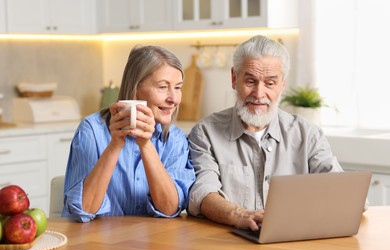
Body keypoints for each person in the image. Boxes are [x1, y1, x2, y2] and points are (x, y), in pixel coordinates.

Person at [187, 35, 344, 231]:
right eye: (251, 81)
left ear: (282, 85)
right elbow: (202, 193)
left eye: (270, 83)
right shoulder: (205, 133)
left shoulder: (308, 135)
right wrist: (239, 215)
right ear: (234, 79)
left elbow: (343, 192)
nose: (259, 94)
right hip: (229, 245)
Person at [62, 45, 195, 222]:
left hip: (155, 245)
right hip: (96, 244)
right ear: (135, 87)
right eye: (163, 87)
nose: (174, 99)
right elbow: (84, 210)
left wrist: (145, 144)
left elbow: (169, 209)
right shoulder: (92, 130)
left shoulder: (175, 139)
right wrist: (115, 145)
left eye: (177, 88)